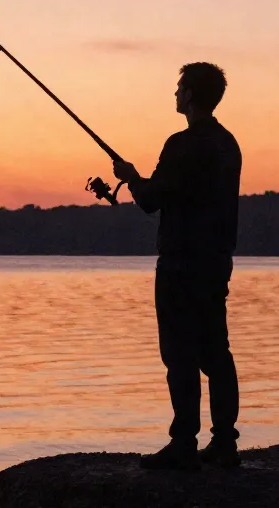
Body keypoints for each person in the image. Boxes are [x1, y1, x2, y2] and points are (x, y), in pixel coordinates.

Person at [112, 62, 242, 470]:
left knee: (179, 354)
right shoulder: (228, 144)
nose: (175, 93)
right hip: (216, 262)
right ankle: (225, 443)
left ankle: (184, 443)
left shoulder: (182, 144)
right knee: (215, 352)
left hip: (181, 264)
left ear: (190, 95)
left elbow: (152, 199)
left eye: (179, 87)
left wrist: (130, 177)